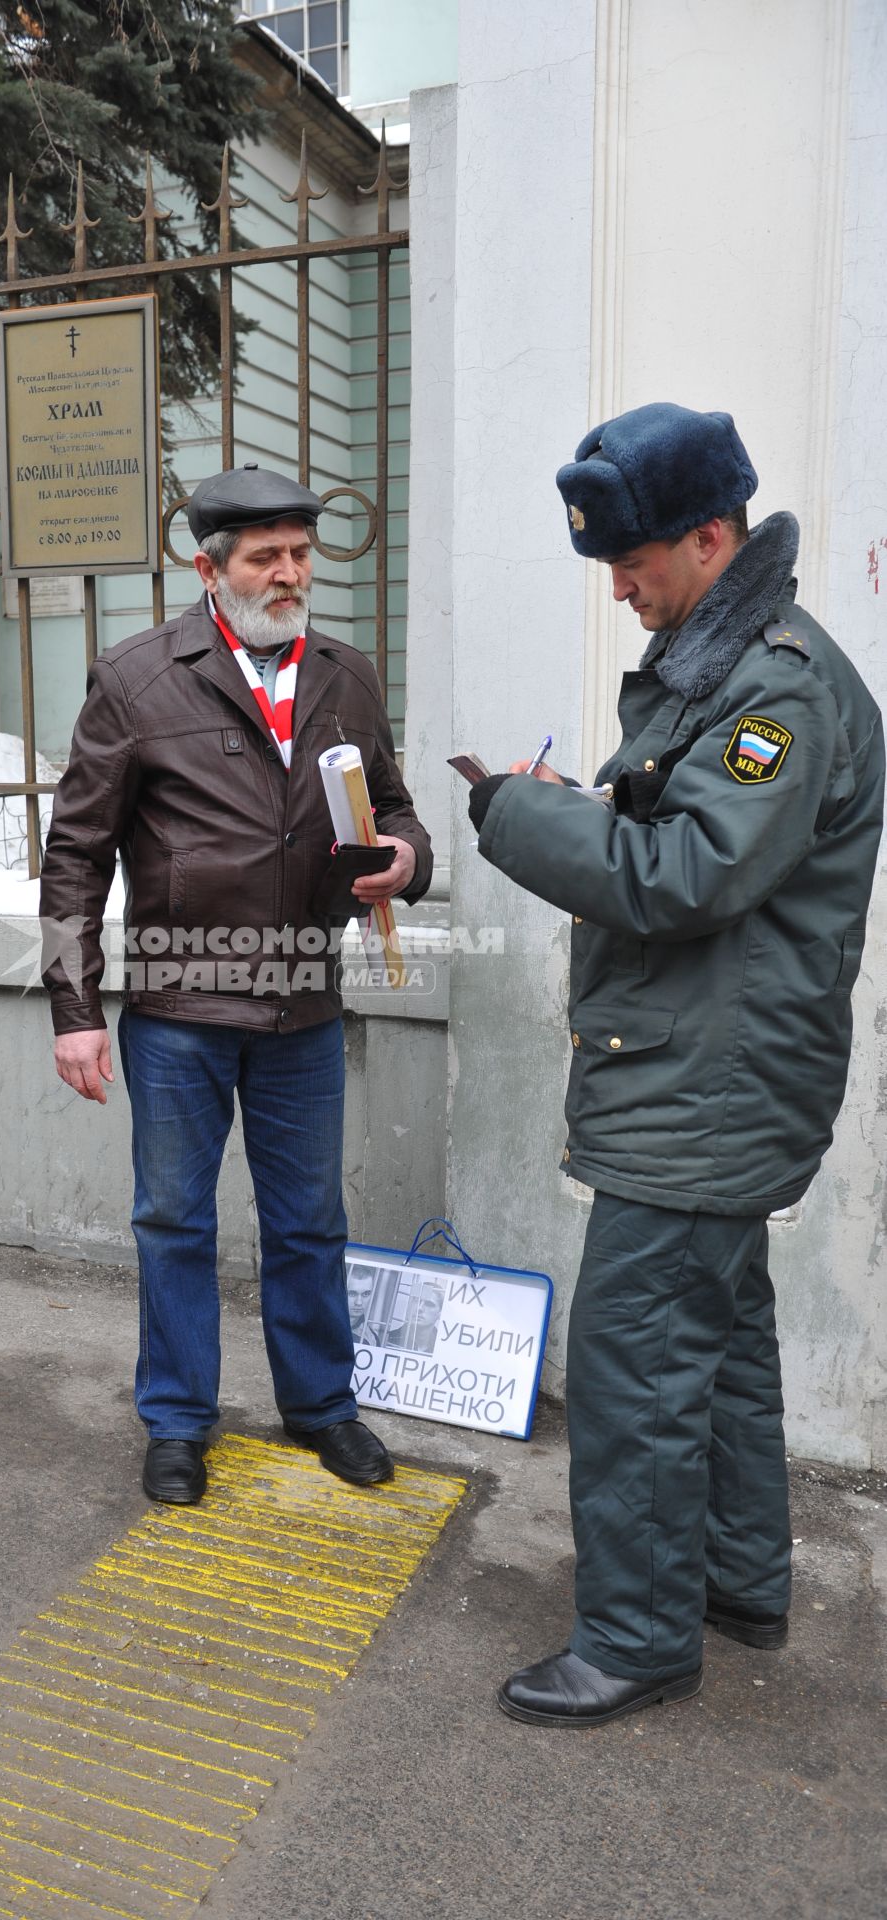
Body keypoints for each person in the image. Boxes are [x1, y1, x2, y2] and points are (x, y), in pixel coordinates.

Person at [463, 403, 883, 1725]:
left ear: (712, 537)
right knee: (723, 1344)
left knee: (639, 1363)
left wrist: (517, 816)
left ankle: (638, 1637)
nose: (618, 582)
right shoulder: (731, 667)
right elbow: (691, 832)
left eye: (633, 557)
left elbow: (690, 871)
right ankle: (739, 1581)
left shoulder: (779, 687)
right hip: (711, 1070)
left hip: (707, 1088)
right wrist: (594, 808)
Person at [40, 464, 432, 1504]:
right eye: (265, 556)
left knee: (307, 1218)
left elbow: (392, 806)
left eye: (300, 554)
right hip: (177, 1010)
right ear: (209, 568)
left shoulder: (346, 675)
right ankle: (175, 1421)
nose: (289, 573)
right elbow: (75, 855)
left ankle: (321, 1408)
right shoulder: (134, 678)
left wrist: (407, 855)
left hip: (302, 1001)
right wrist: (73, 1011)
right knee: (173, 1218)